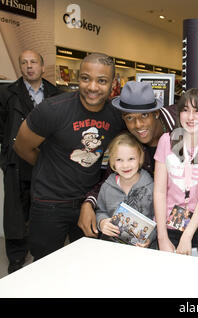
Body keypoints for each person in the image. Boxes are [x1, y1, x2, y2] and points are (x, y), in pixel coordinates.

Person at [13, 52, 125, 260]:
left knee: (86, 266)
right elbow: (22, 147)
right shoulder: (52, 110)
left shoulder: (115, 116)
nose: (92, 87)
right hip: (49, 204)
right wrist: (49, 167)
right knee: (45, 268)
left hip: (88, 203)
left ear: (112, 84)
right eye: (85, 78)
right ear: (78, 79)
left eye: (101, 81)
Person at [78, 80, 176, 238]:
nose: (138, 124)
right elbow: (110, 178)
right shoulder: (128, 141)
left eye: (144, 115)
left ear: (156, 113)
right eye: (130, 118)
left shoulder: (180, 127)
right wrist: (89, 203)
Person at [0, 50, 60, 272]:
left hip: (45, 161)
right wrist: (5, 158)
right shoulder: (7, 94)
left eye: (33, 62)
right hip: (16, 162)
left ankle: (41, 254)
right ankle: (16, 258)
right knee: (15, 213)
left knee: (43, 210)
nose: (29, 66)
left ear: (43, 67)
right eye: (23, 62)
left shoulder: (56, 93)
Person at [153, 88, 198, 255]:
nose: (191, 117)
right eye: (185, 110)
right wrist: (162, 238)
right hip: (167, 227)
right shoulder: (167, 140)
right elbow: (159, 191)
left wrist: (187, 236)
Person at [95, 132, 155, 248]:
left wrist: (150, 238)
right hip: (112, 249)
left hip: (142, 252)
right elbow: (100, 211)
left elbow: (157, 218)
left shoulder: (151, 187)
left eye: (131, 159)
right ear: (112, 162)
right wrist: (102, 222)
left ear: (140, 159)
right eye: (119, 160)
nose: (125, 165)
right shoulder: (107, 187)